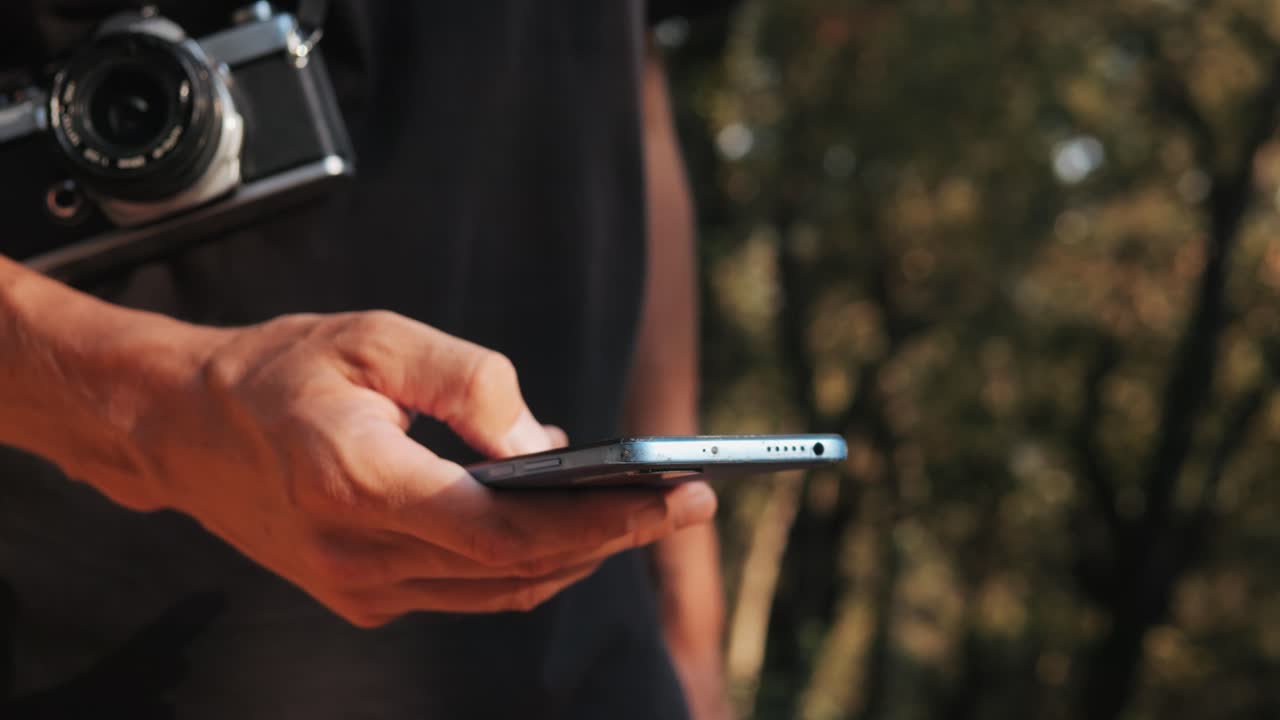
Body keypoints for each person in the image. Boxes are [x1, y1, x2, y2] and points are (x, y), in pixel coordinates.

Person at [0, 2, 732, 718]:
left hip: (603, 661)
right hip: (102, 661)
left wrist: (690, 624)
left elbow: (634, 98)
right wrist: (163, 408)